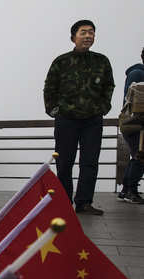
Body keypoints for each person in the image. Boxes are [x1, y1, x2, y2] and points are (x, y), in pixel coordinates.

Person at [44, 19, 115, 215]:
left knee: (90, 161)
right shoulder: (62, 61)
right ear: (73, 37)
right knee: (64, 162)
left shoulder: (102, 61)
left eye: (91, 32)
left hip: (92, 120)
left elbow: (109, 85)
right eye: (83, 32)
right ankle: (65, 201)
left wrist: (104, 106)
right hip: (66, 119)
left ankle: (84, 202)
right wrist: (54, 110)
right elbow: (49, 87)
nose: (88, 36)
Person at [118, 46, 144, 204]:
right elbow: (134, 101)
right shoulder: (138, 73)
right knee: (140, 156)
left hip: (134, 122)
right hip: (135, 122)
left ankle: (125, 189)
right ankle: (130, 190)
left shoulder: (137, 73)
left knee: (137, 155)